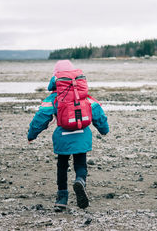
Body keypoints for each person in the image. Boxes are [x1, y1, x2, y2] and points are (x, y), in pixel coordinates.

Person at [27, 60, 109, 210]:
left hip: (62, 136)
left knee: (62, 166)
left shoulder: (54, 97)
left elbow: (41, 117)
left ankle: (62, 198)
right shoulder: (83, 95)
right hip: (82, 135)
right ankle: (80, 181)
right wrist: (104, 130)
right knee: (80, 164)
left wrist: (32, 135)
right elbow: (98, 113)